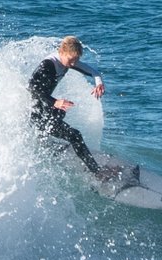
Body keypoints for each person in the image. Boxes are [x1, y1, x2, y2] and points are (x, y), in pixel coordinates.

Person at [27, 37, 108, 177]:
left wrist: (98, 82)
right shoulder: (48, 64)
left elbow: (93, 72)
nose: (73, 64)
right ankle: (97, 172)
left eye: (76, 60)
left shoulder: (67, 61)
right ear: (61, 52)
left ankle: (47, 142)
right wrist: (54, 102)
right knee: (75, 135)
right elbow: (32, 88)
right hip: (35, 112)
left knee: (60, 113)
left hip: (44, 106)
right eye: (71, 60)